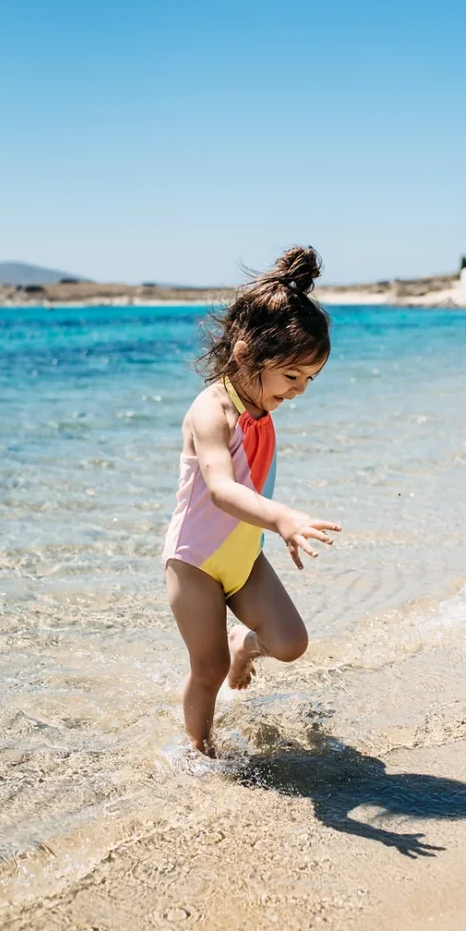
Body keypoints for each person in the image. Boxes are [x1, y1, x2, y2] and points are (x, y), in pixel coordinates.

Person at [163, 246, 341, 756]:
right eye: (292, 377)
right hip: (194, 563)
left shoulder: (262, 405)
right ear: (246, 356)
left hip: (244, 557)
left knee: (290, 644)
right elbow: (221, 489)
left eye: (310, 379)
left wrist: (272, 528)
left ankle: (247, 645)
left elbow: (258, 475)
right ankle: (200, 755)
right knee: (209, 667)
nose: (301, 391)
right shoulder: (210, 411)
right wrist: (283, 515)